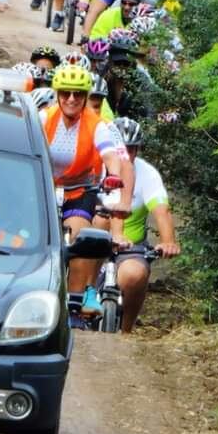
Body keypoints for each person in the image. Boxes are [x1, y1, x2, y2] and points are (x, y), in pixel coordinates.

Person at [41, 63, 132, 327]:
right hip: (44, 189)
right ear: (58, 94)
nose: (71, 99)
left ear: (85, 97)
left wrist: (113, 176)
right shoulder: (44, 117)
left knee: (81, 235)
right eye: (66, 93)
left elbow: (111, 154)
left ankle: (74, 303)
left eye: (78, 94)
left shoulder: (98, 124)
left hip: (80, 190)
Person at [103, 118, 180, 333]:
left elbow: (161, 210)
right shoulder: (92, 166)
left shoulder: (147, 173)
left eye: (131, 150)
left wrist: (168, 241)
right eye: (120, 149)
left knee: (135, 275)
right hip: (92, 243)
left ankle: (126, 331)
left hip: (130, 248)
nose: (125, 156)